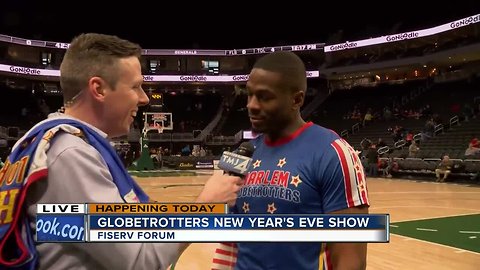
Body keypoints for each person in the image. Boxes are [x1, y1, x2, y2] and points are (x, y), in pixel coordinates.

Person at [0, 33, 243, 270]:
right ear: (99, 89)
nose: (144, 98)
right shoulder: (70, 154)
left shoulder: (49, 139)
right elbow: (138, 261)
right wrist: (206, 206)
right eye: (136, 86)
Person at [212, 51, 369, 269]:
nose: (251, 105)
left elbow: (349, 257)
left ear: (297, 99)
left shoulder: (334, 153)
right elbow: (228, 241)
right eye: (249, 94)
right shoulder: (241, 153)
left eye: (264, 97)